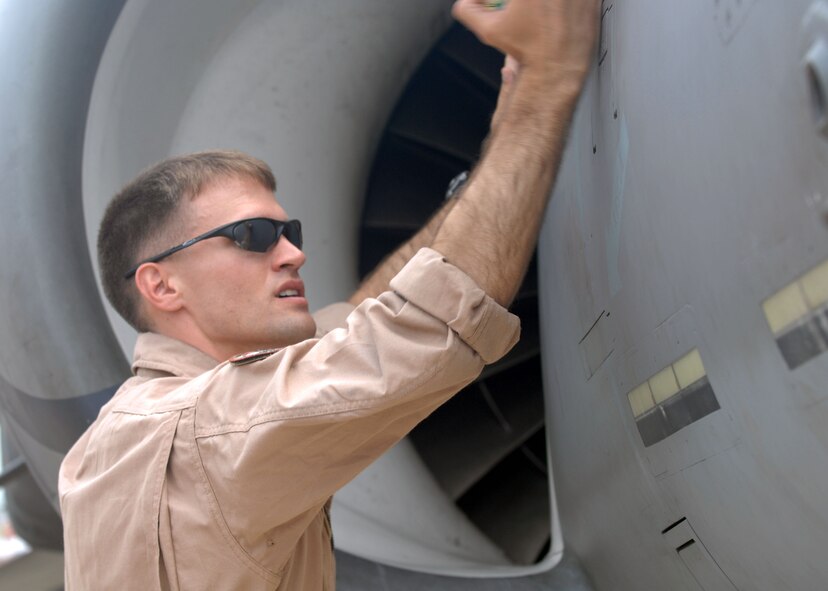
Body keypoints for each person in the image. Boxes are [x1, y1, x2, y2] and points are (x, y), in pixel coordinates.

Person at [58, 0, 599, 588]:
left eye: (289, 232)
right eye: (253, 236)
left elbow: (359, 324)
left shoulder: (121, 435)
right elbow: (423, 331)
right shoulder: (211, 432)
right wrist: (550, 79)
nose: (293, 253)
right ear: (160, 284)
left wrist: (503, 136)